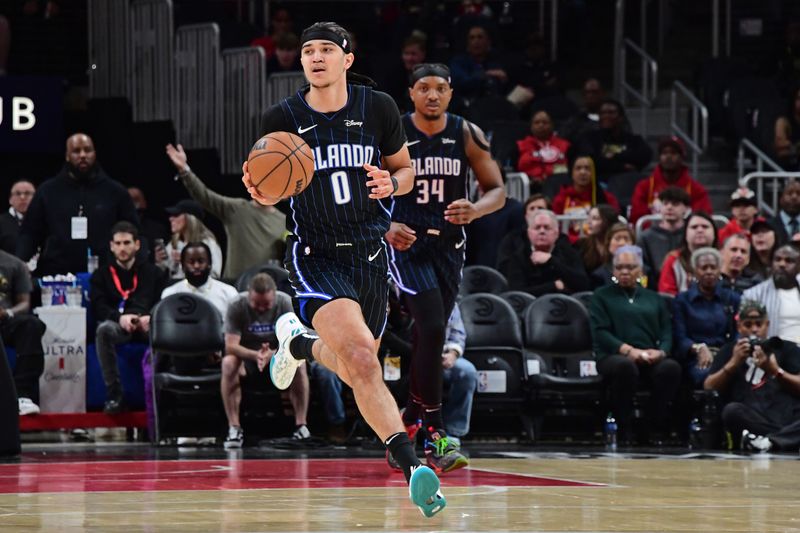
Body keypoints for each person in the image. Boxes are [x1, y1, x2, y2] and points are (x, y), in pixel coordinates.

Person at [241, 21, 446, 517]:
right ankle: (412, 464)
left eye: (326, 49)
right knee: (360, 356)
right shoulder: (282, 116)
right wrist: (261, 189)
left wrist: (390, 185)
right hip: (316, 254)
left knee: (360, 367)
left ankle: (297, 343)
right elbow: (268, 184)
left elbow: (405, 170)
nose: (315, 56)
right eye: (308, 49)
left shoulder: (376, 108)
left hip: (371, 255)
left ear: (347, 59)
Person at [384, 62, 505, 473]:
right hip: (409, 245)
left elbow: (498, 191)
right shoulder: (393, 132)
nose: (432, 95)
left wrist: (476, 209)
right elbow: (364, 188)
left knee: (427, 337)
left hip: (450, 247)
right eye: (424, 88)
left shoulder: (467, 133)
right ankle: (436, 431)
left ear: (451, 93)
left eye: (440, 88)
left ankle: (410, 418)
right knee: (434, 327)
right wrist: (386, 224)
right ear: (412, 93)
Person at [589, 245, 682, 444]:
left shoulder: (654, 298)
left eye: (630, 267)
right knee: (625, 367)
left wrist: (661, 352)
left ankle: (650, 427)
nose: (624, 272)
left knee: (670, 368)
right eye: (620, 267)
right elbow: (600, 331)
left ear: (640, 271)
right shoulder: (601, 296)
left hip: (649, 355)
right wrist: (628, 350)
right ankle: (625, 427)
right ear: (613, 271)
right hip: (613, 355)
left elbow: (666, 330)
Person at [16, 133, 140, 276]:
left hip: (106, 276)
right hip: (56, 275)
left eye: (87, 150)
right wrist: (18, 265)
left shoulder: (116, 191)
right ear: (67, 156)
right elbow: (29, 233)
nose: (82, 155)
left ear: (95, 154)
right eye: (76, 151)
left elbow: (134, 232)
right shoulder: (47, 191)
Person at [166, 144, 286, 281]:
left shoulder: (285, 221)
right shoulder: (237, 209)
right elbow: (205, 196)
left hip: (267, 291)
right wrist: (184, 170)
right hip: (234, 286)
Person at [222, 273, 310, 449]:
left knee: (300, 363)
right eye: (257, 304)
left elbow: (296, 342)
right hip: (247, 359)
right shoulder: (236, 305)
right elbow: (231, 346)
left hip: (278, 357)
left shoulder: (285, 302)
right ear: (248, 294)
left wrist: (273, 354)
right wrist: (257, 355)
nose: (261, 309)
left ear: (275, 295)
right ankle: (234, 428)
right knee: (228, 363)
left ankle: (301, 425)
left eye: (266, 304)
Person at [704, 300, 800, 453]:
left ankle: (770, 442)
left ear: (767, 325)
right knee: (731, 411)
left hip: (787, 416)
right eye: (748, 325)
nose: (754, 330)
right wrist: (733, 363)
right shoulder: (730, 351)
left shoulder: (785, 347)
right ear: (739, 326)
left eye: (758, 324)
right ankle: (782, 440)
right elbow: (709, 386)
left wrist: (776, 371)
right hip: (754, 418)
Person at [90, 222, 165, 413]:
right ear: (111, 246)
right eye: (118, 243)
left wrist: (152, 317)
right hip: (119, 325)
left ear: (137, 245)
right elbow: (99, 307)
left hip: (148, 325)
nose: (122, 248)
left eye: (127, 243)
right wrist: (120, 317)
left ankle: (162, 396)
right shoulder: (101, 275)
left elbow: (163, 301)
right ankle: (115, 395)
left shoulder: (154, 272)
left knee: (166, 329)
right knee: (104, 329)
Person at [672, 247, 741, 388]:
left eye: (713, 267)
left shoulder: (732, 298)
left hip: (728, 355)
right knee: (706, 373)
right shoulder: (682, 300)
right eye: (704, 268)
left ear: (719, 269)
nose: (709, 271)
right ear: (695, 271)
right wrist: (698, 348)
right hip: (697, 358)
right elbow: (680, 337)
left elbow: (739, 331)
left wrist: (733, 354)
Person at [497, 209, 590, 296]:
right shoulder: (519, 257)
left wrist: (551, 260)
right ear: (529, 233)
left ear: (556, 233)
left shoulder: (569, 253)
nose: (542, 231)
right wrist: (554, 286)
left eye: (547, 227)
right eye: (537, 228)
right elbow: (516, 293)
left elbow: (584, 285)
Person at [0, 249, 46, 416]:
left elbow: (24, 303)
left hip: (5, 321)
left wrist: (7, 313)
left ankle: (22, 395)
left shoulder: (14, 263)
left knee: (32, 325)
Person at [629, 136, 712, 224]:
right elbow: (636, 217)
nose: (668, 156)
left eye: (673, 153)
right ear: (659, 157)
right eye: (664, 153)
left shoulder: (696, 190)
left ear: (681, 157)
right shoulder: (644, 187)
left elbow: (702, 218)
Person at [574, 98, 652, 182]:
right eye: (603, 113)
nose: (606, 116)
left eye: (611, 113)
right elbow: (592, 162)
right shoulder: (590, 138)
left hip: (627, 184)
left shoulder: (633, 139)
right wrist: (622, 166)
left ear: (621, 117)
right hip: (599, 185)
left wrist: (615, 156)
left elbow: (644, 156)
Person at [551, 155, 619, 243]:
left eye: (587, 168)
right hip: (569, 245)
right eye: (578, 168)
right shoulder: (561, 199)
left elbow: (612, 227)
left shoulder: (607, 198)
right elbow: (555, 229)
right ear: (571, 173)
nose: (583, 172)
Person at [161, 242, 238, 318]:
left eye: (201, 261)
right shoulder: (170, 294)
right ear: (183, 266)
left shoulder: (229, 293)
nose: (196, 266)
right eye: (191, 262)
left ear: (210, 264)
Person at [743, 245, 800, 343]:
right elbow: (746, 332)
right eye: (777, 260)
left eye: (789, 261)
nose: (782, 264)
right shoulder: (753, 295)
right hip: (771, 352)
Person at [635, 186, 690, 284]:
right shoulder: (646, 237)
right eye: (665, 204)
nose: (669, 207)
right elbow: (642, 268)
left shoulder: (691, 234)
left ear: (686, 209)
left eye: (675, 204)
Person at [658, 212, 717, 296]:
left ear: (714, 233)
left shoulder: (724, 258)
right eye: (694, 227)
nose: (700, 230)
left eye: (705, 227)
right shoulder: (673, 260)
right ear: (685, 234)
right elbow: (667, 295)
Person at [163, 199, 223, 281]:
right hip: (177, 289)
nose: (171, 219)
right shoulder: (174, 243)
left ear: (189, 218)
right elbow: (165, 274)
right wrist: (160, 262)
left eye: (176, 215)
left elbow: (215, 275)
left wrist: (186, 261)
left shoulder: (208, 244)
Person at [515, 110, 570, 185]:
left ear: (552, 125)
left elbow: (566, 168)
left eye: (545, 122)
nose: (541, 125)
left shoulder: (564, 145)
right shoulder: (521, 145)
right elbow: (520, 167)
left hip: (558, 183)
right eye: (537, 122)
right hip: (531, 184)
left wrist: (547, 174)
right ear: (531, 126)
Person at [127, 186, 169, 262]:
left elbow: (163, 256)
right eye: (129, 201)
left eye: (136, 200)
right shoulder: (116, 231)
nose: (134, 205)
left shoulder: (157, 229)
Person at [589, 222, 637, 288]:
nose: (622, 243)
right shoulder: (599, 275)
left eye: (626, 239)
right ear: (608, 243)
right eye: (617, 239)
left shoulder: (645, 271)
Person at [559, 78, 605, 144]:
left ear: (602, 93)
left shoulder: (610, 117)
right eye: (587, 92)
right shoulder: (575, 120)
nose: (590, 95)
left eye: (594, 92)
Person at [575, 204, 618, 273]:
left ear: (607, 222)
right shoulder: (582, 245)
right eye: (588, 218)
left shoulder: (618, 245)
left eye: (595, 218)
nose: (589, 222)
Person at [0, 180, 35, 255]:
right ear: (10, 199)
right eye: (18, 193)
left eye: (27, 193)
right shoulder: (1, 222)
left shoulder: (45, 221)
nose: (22, 197)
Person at [773, 87, 800, 169]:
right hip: (789, 167)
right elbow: (780, 146)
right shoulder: (783, 122)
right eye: (799, 99)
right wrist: (795, 148)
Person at [767, 179, 800, 245]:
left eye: (799, 193)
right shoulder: (768, 226)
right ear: (781, 199)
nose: (794, 197)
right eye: (789, 193)